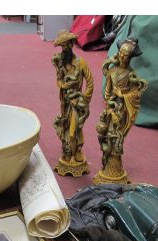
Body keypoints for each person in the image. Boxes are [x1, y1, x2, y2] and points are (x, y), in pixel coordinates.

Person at [94, 37, 148, 184]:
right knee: (107, 136)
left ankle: (115, 169)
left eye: (126, 55)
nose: (123, 57)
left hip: (123, 111)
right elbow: (107, 93)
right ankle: (108, 167)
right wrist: (111, 103)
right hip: (112, 111)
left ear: (131, 57)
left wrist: (122, 96)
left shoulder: (130, 75)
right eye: (121, 53)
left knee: (117, 138)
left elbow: (138, 91)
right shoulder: (112, 72)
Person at [52, 30, 94, 176]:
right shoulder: (61, 62)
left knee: (72, 132)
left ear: (71, 44)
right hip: (65, 102)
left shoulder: (80, 62)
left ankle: (75, 152)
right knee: (65, 127)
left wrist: (84, 100)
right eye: (62, 47)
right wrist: (62, 85)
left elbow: (90, 83)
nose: (64, 49)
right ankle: (70, 154)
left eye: (66, 46)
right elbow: (59, 80)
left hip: (77, 102)